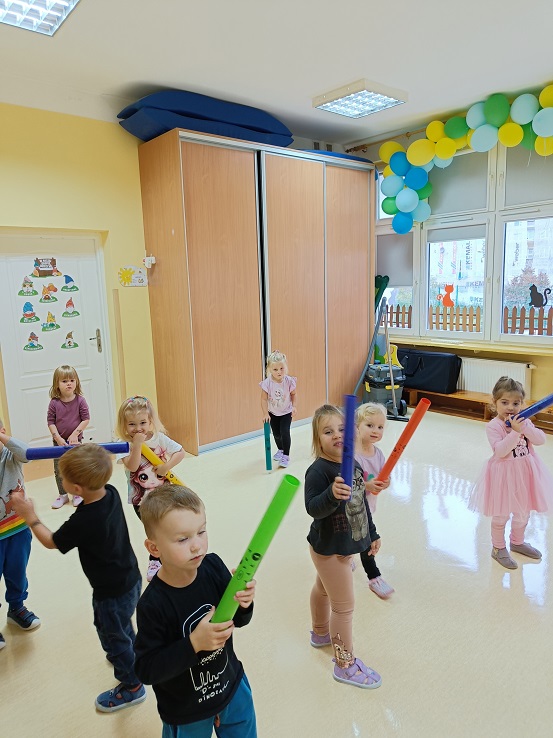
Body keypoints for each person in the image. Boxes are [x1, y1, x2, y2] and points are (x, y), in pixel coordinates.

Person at [11, 444, 145, 712]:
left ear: (76, 489)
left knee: (111, 633)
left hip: (110, 593)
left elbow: (51, 542)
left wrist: (30, 516)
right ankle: (130, 655)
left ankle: (132, 687)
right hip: (130, 578)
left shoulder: (84, 520)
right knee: (120, 627)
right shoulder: (111, 492)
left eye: (63, 479)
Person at [134, 484, 257, 737]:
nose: (197, 546)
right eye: (183, 539)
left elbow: (238, 620)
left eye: (201, 531)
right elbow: (147, 669)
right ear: (154, 548)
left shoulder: (213, 567)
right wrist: (194, 643)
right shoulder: (152, 604)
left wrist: (244, 603)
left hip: (231, 687)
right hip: (186, 710)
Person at [305, 404, 382, 689]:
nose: (337, 435)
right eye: (328, 431)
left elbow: (362, 504)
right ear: (318, 440)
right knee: (344, 607)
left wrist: (371, 534)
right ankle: (344, 664)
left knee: (323, 589)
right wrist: (331, 494)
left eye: (341, 429)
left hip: (343, 545)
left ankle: (320, 633)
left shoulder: (355, 466)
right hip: (330, 550)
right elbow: (312, 508)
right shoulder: (318, 471)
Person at [469, 376, 553, 570]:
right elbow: (500, 451)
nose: (510, 407)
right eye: (505, 402)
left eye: (516, 403)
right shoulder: (494, 426)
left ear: (522, 404)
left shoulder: (524, 421)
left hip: (525, 473)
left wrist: (525, 428)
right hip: (503, 476)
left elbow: (540, 440)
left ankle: (517, 541)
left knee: (523, 512)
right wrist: (515, 432)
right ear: (495, 403)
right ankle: (498, 548)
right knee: (501, 514)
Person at [116, 396, 185, 582]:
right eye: (132, 424)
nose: (138, 428)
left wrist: (166, 466)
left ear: (150, 421)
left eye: (143, 423)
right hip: (141, 500)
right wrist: (138, 444)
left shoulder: (158, 438)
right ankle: (155, 560)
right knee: (154, 530)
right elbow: (132, 466)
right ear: (124, 425)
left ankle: (169, 555)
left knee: (168, 526)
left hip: (165, 495)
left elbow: (180, 452)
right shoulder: (123, 444)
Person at [0, 422, 40, 649]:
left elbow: (26, 453)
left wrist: (3, 440)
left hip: (17, 528)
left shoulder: (11, 454)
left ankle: (16, 607)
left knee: (17, 571)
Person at [354, 403, 394, 599]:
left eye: (380, 427)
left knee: (358, 537)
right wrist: (366, 485)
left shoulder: (378, 455)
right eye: (369, 425)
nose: (375, 431)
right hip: (351, 508)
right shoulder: (352, 455)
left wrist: (386, 482)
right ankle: (374, 576)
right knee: (365, 541)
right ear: (357, 426)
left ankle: (345, 556)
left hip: (368, 508)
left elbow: (385, 477)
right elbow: (347, 483)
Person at [47, 364, 90, 509]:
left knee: (76, 467)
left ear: (76, 382)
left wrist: (75, 434)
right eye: (64, 381)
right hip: (58, 443)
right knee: (59, 469)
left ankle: (77, 494)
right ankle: (63, 495)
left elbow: (86, 419)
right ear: (57, 384)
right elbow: (50, 422)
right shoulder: (54, 403)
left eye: (72, 380)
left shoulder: (80, 401)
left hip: (75, 442)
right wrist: (58, 438)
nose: (69, 384)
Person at [260, 350, 297, 468]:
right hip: (273, 413)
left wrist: (294, 406)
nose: (279, 372)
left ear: (285, 367)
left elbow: (293, 394)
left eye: (282, 368)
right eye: (275, 369)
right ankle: (280, 450)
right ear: (270, 370)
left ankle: (286, 455)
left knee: (285, 432)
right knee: (276, 434)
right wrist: (265, 413)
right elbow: (263, 399)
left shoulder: (289, 381)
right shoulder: (267, 383)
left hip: (286, 412)